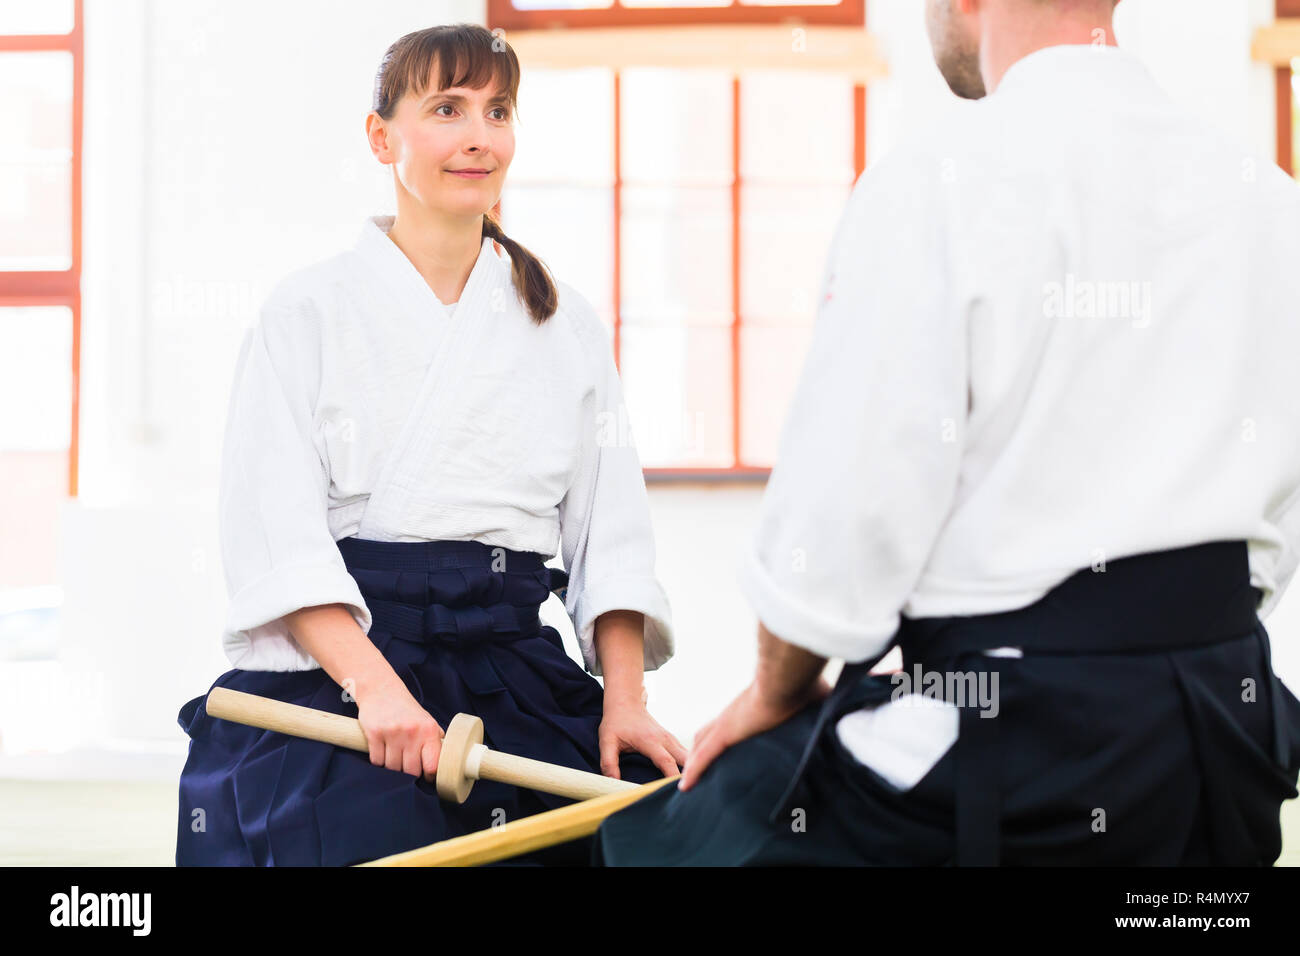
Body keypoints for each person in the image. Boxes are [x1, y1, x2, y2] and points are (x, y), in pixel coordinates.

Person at [593, 0, 1300, 866]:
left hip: (1022, 757)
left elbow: (841, 530)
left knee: (663, 844)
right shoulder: (1268, 197)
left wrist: (773, 694)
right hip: (1224, 734)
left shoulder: (939, 178)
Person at [175, 22, 686, 867]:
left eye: (497, 110)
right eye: (447, 108)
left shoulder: (564, 323)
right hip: (346, 666)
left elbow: (613, 536)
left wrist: (623, 702)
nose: (478, 136)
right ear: (382, 136)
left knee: (628, 843)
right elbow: (278, 536)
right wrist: (376, 691)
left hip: (514, 668)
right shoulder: (306, 313)